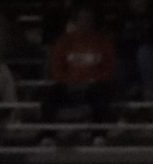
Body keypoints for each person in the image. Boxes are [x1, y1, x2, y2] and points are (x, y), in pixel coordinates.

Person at [42, 6, 116, 141]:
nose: (85, 22)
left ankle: (99, 134)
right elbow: (56, 68)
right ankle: (48, 135)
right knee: (50, 95)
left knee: (100, 93)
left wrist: (91, 81)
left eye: (88, 19)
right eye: (82, 19)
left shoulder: (103, 42)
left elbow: (109, 68)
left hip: (93, 85)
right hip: (69, 85)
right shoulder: (64, 42)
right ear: (75, 22)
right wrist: (69, 81)